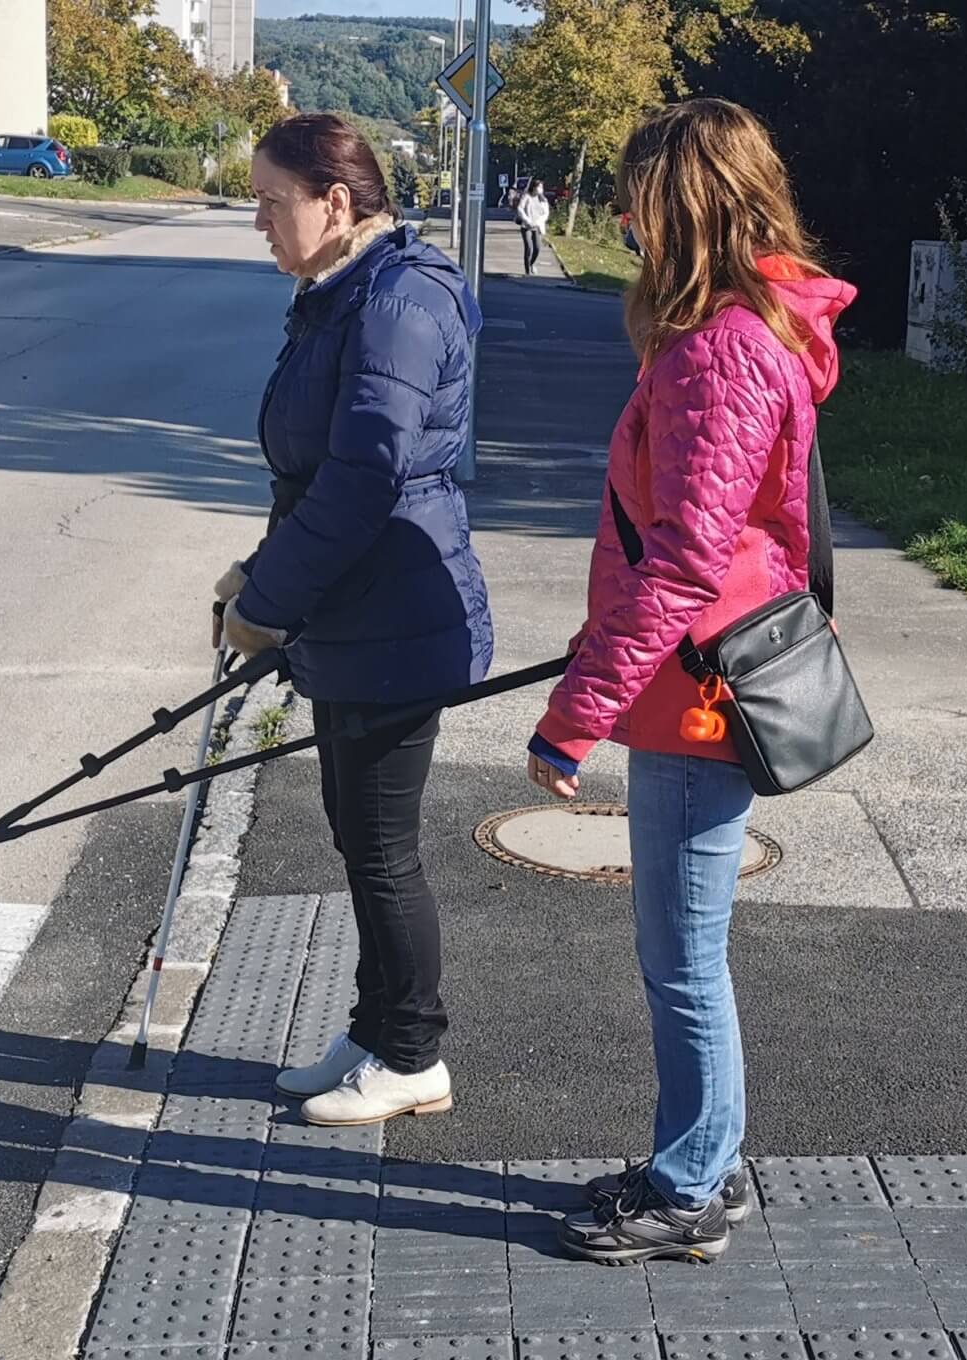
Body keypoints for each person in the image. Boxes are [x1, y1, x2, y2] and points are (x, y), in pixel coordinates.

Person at [523, 98, 855, 1262]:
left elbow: (683, 560)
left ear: (694, 204)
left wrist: (573, 720)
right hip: (690, 679)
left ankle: (687, 1189)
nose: (623, 217)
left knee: (679, 957)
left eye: (641, 198)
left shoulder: (720, 347)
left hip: (696, 694)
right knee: (684, 950)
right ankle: (698, 1161)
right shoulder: (734, 332)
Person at [217, 112, 493, 1128]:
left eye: (269, 202)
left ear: (335, 204)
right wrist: (258, 572)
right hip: (353, 612)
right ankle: (377, 1029)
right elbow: (311, 470)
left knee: (381, 845)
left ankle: (413, 1053)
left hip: (395, 615)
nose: (258, 222)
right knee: (354, 830)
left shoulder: (398, 302)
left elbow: (365, 472)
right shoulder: (337, 294)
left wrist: (268, 600)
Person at [517, 182, 552, 275]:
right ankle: (527, 270)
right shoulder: (527, 196)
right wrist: (527, 220)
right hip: (526, 226)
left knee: (537, 248)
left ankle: (531, 263)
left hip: (537, 226)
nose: (540, 189)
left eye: (542, 187)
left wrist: (539, 221)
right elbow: (520, 208)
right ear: (534, 187)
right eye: (539, 187)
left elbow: (546, 213)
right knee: (528, 247)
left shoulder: (543, 199)